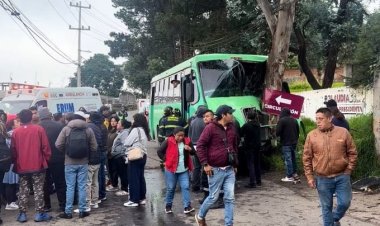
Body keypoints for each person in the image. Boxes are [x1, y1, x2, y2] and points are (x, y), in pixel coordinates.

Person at [303, 107, 357, 226]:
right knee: (326, 207)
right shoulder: (312, 136)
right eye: (316, 119)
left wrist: (349, 169)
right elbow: (307, 158)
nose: (318, 121)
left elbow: (352, 152)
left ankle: (334, 219)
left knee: (344, 203)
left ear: (330, 118)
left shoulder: (343, 132)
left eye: (321, 119)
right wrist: (310, 177)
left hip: (342, 176)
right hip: (322, 178)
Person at [195, 105, 238, 226]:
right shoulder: (210, 128)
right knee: (213, 197)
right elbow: (200, 146)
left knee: (229, 198)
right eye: (230, 113)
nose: (232, 115)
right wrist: (205, 164)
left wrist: (235, 164)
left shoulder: (232, 128)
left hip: (229, 169)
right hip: (215, 169)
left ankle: (229, 224)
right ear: (223, 115)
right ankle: (200, 216)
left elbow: (234, 146)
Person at [11, 109, 52, 223]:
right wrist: (46, 160)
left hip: (22, 165)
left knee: (23, 190)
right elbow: (46, 148)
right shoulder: (39, 129)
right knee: (39, 189)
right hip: (37, 164)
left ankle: (22, 214)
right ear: (31, 117)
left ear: (20, 118)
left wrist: (16, 162)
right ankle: (39, 213)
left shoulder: (16, 132)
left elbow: (13, 151)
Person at [55, 111, 97, 219]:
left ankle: (68, 212)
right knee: (82, 187)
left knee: (70, 187)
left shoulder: (66, 129)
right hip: (83, 162)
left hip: (69, 163)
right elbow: (94, 147)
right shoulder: (88, 130)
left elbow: (58, 144)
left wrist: (67, 152)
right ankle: (82, 211)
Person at [157, 126, 196, 214]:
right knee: (171, 188)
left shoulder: (187, 141)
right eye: (179, 136)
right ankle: (168, 206)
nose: (181, 138)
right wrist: (165, 160)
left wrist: (189, 149)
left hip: (184, 170)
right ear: (174, 135)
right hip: (171, 169)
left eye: (182, 135)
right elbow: (159, 151)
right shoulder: (168, 141)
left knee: (185, 187)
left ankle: (187, 206)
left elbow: (193, 152)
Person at [38, 107, 66, 212]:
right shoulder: (59, 126)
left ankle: (47, 205)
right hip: (58, 158)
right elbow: (64, 142)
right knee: (60, 182)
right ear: (50, 115)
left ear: (40, 117)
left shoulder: (38, 127)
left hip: (43, 159)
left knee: (44, 183)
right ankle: (62, 205)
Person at [123, 113, 150, 207]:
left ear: (137, 120)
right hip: (143, 155)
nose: (132, 121)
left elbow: (127, 142)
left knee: (133, 178)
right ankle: (142, 197)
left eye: (133, 119)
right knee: (140, 177)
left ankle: (134, 199)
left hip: (135, 155)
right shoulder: (143, 130)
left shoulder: (135, 130)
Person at [276, 108, 300, 182]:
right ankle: (294, 173)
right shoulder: (294, 120)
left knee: (288, 159)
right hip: (294, 143)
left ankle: (289, 176)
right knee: (293, 159)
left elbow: (277, 133)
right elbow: (298, 131)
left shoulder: (282, 121)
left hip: (286, 143)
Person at [188, 106, 208, 192]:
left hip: (193, 146)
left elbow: (189, 134)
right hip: (201, 147)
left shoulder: (193, 122)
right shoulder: (204, 122)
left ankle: (195, 186)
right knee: (204, 166)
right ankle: (204, 186)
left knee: (196, 167)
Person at [241, 111, 262, 188]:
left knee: (251, 164)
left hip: (249, 147)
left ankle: (252, 182)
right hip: (257, 147)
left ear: (247, 117)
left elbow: (240, 133)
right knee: (257, 163)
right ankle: (259, 180)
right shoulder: (258, 125)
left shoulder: (247, 125)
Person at [111, 119, 131, 196]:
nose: (117, 124)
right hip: (118, 156)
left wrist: (122, 154)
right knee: (121, 172)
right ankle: (124, 188)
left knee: (123, 173)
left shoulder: (125, 133)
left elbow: (125, 144)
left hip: (120, 156)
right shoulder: (121, 132)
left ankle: (125, 189)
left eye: (118, 123)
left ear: (122, 126)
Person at [3, 118, 20, 211]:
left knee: (10, 182)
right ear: (12, 125)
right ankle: (10, 202)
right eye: (17, 122)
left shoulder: (8, 135)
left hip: (9, 162)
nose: (19, 123)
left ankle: (12, 201)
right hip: (11, 162)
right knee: (10, 182)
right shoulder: (11, 135)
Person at [106, 115, 120, 192]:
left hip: (114, 154)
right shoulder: (109, 131)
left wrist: (110, 150)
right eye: (111, 121)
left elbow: (116, 144)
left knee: (114, 170)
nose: (113, 123)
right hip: (108, 154)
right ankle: (112, 183)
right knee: (110, 170)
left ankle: (115, 184)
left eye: (114, 121)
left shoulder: (117, 132)